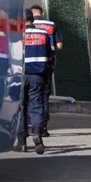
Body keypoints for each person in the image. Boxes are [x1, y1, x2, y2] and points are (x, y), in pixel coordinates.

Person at [16, 9, 53, 154]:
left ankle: (22, 142)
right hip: (38, 76)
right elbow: (49, 55)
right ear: (33, 19)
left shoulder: (18, 34)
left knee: (21, 107)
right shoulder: (43, 34)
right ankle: (37, 133)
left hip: (20, 76)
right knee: (36, 106)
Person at [29, 4, 62, 137]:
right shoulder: (52, 25)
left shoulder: (26, 26)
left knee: (30, 96)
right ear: (42, 13)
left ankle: (31, 126)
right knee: (44, 95)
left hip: (29, 66)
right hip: (46, 64)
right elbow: (59, 46)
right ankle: (43, 128)